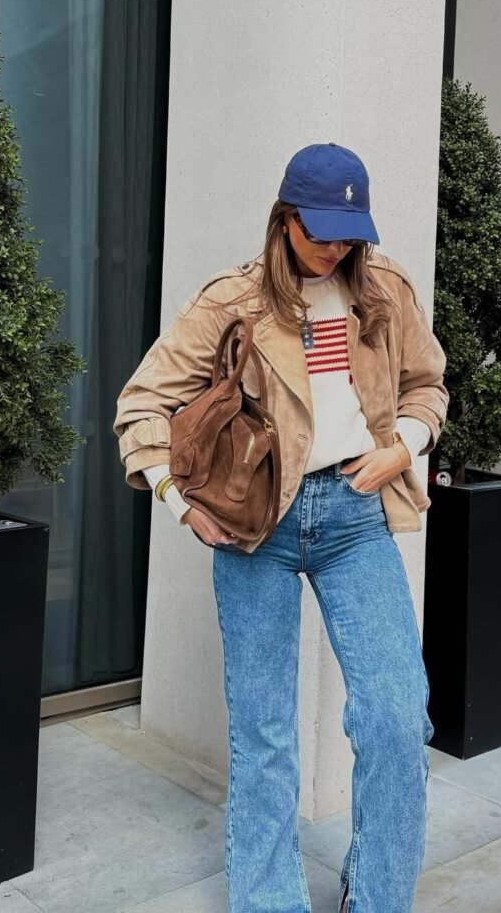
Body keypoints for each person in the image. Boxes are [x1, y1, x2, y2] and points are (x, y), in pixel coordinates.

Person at [113, 142, 450, 912]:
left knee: (396, 717)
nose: (334, 247)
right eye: (319, 230)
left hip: (354, 518)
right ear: (285, 219)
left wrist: (402, 443)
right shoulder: (231, 301)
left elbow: (427, 385)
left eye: (347, 232)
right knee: (265, 736)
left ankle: (378, 898)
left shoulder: (384, 291)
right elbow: (141, 403)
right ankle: (270, 902)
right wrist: (176, 497)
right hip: (254, 526)